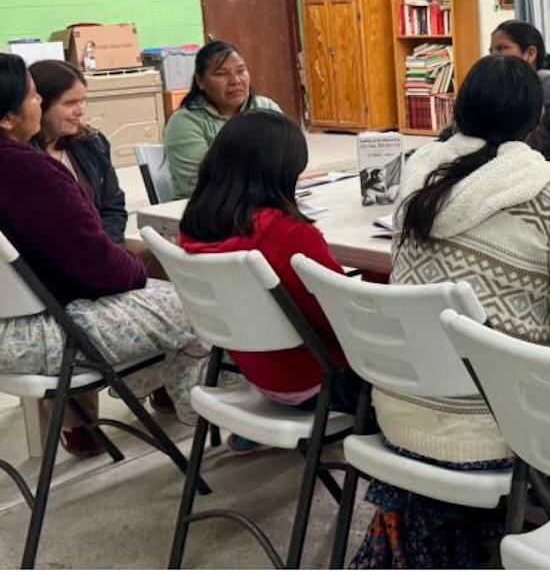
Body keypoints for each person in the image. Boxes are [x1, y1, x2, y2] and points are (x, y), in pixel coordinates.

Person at [352, 55, 550, 569]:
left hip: (399, 420)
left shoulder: (416, 177)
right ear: (537, 119)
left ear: (458, 109)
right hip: (498, 434)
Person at [0, 53, 207, 454]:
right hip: (40, 329)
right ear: (7, 117)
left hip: (28, 318)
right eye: (33, 96)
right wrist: (132, 272)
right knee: (200, 307)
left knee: (159, 278)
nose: (38, 104)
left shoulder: (73, 150)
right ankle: (210, 422)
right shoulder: (29, 170)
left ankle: (164, 391)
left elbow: (103, 219)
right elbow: (100, 268)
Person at [179, 110, 365, 422]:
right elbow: (339, 314)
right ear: (278, 173)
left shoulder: (195, 223)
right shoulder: (286, 233)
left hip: (257, 371)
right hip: (318, 380)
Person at [439, 20, 550, 159]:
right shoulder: (491, 83)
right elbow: (464, 126)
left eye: (501, 48)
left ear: (530, 54)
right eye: (491, 51)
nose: (494, 56)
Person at [163, 40, 281, 198]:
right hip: (209, 211)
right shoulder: (184, 123)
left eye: (241, 71)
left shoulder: (266, 108)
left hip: (265, 202)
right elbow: (201, 183)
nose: (235, 81)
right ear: (200, 81)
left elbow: (290, 160)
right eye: (221, 74)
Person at [29, 60, 128, 244]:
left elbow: (113, 205)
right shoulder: (24, 158)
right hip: (62, 256)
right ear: (41, 105)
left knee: (166, 256)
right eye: (70, 103)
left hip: (102, 246)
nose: (80, 111)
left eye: (83, 101)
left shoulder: (93, 143)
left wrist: (108, 247)